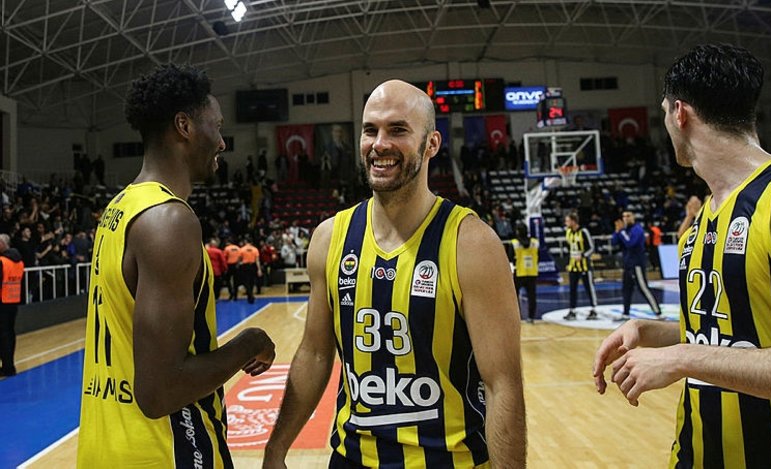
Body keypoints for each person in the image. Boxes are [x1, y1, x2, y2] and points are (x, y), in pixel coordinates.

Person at [262, 79, 526, 468]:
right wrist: (276, 447)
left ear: (432, 144)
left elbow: (503, 385)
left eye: (398, 130)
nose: (379, 143)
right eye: (370, 130)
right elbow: (315, 353)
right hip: (352, 459)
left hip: (448, 461)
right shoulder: (330, 238)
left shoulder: (471, 244)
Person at [593, 44, 771, 467]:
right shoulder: (702, 218)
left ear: (679, 113)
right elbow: (736, 337)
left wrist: (683, 358)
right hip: (694, 454)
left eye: (664, 114)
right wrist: (652, 332)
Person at [77, 64, 275, 467]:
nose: (221, 142)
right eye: (216, 126)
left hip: (105, 448)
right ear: (184, 126)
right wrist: (249, 343)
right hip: (166, 452)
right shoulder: (169, 221)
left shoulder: (120, 207)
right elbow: (160, 392)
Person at [611, 211, 662, 320]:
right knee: (626, 289)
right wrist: (617, 231)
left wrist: (621, 232)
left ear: (633, 217)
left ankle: (658, 313)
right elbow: (614, 243)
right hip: (627, 264)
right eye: (624, 216)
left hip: (637, 264)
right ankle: (625, 313)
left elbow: (630, 243)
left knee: (643, 288)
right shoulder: (624, 230)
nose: (625, 218)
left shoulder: (637, 229)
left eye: (628, 216)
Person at [562, 212, 598, 321]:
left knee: (589, 288)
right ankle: (572, 311)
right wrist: (568, 262)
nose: (566, 223)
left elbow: (592, 248)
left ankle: (594, 309)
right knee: (572, 289)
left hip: (585, 266)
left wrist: (583, 256)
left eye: (568, 221)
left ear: (573, 221)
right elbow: (568, 248)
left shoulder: (583, 231)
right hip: (573, 266)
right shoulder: (568, 232)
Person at [0, 234, 24, 377]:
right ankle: (9, 365)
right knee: (9, 334)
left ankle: (7, 367)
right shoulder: (19, 261)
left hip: (2, 301)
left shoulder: (2, 261)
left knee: (3, 336)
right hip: (13, 300)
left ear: (3, 244)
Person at [508, 222, 540, 323]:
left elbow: (510, 258)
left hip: (519, 273)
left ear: (517, 231)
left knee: (515, 296)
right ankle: (531, 317)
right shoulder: (535, 242)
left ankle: (517, 317)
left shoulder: (514, 243)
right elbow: (539, 256)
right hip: (532, 272)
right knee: (532, 296)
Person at [238, 237, 261, 304]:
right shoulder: (255, 249)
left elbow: (239, 259)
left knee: (246, 281)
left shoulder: (242, 249)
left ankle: (250, 295)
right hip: (253, 266)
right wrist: (259, 269)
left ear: (245, 242)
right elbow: (257, 260)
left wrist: (240, 263)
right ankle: (250, 296)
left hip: (245, 266)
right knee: (252, 281)